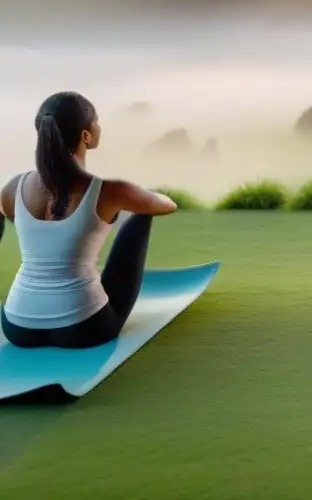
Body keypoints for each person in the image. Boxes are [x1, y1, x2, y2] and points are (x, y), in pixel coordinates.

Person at [0, 92, 178, 349]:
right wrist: (137, 199)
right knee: (142, 214)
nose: (99, 126)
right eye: (97, 121)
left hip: (17, 326)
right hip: (84, 328)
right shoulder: (109, 190)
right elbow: (166, 205)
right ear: (86, 135)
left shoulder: (13, 188)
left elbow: (19, 220)